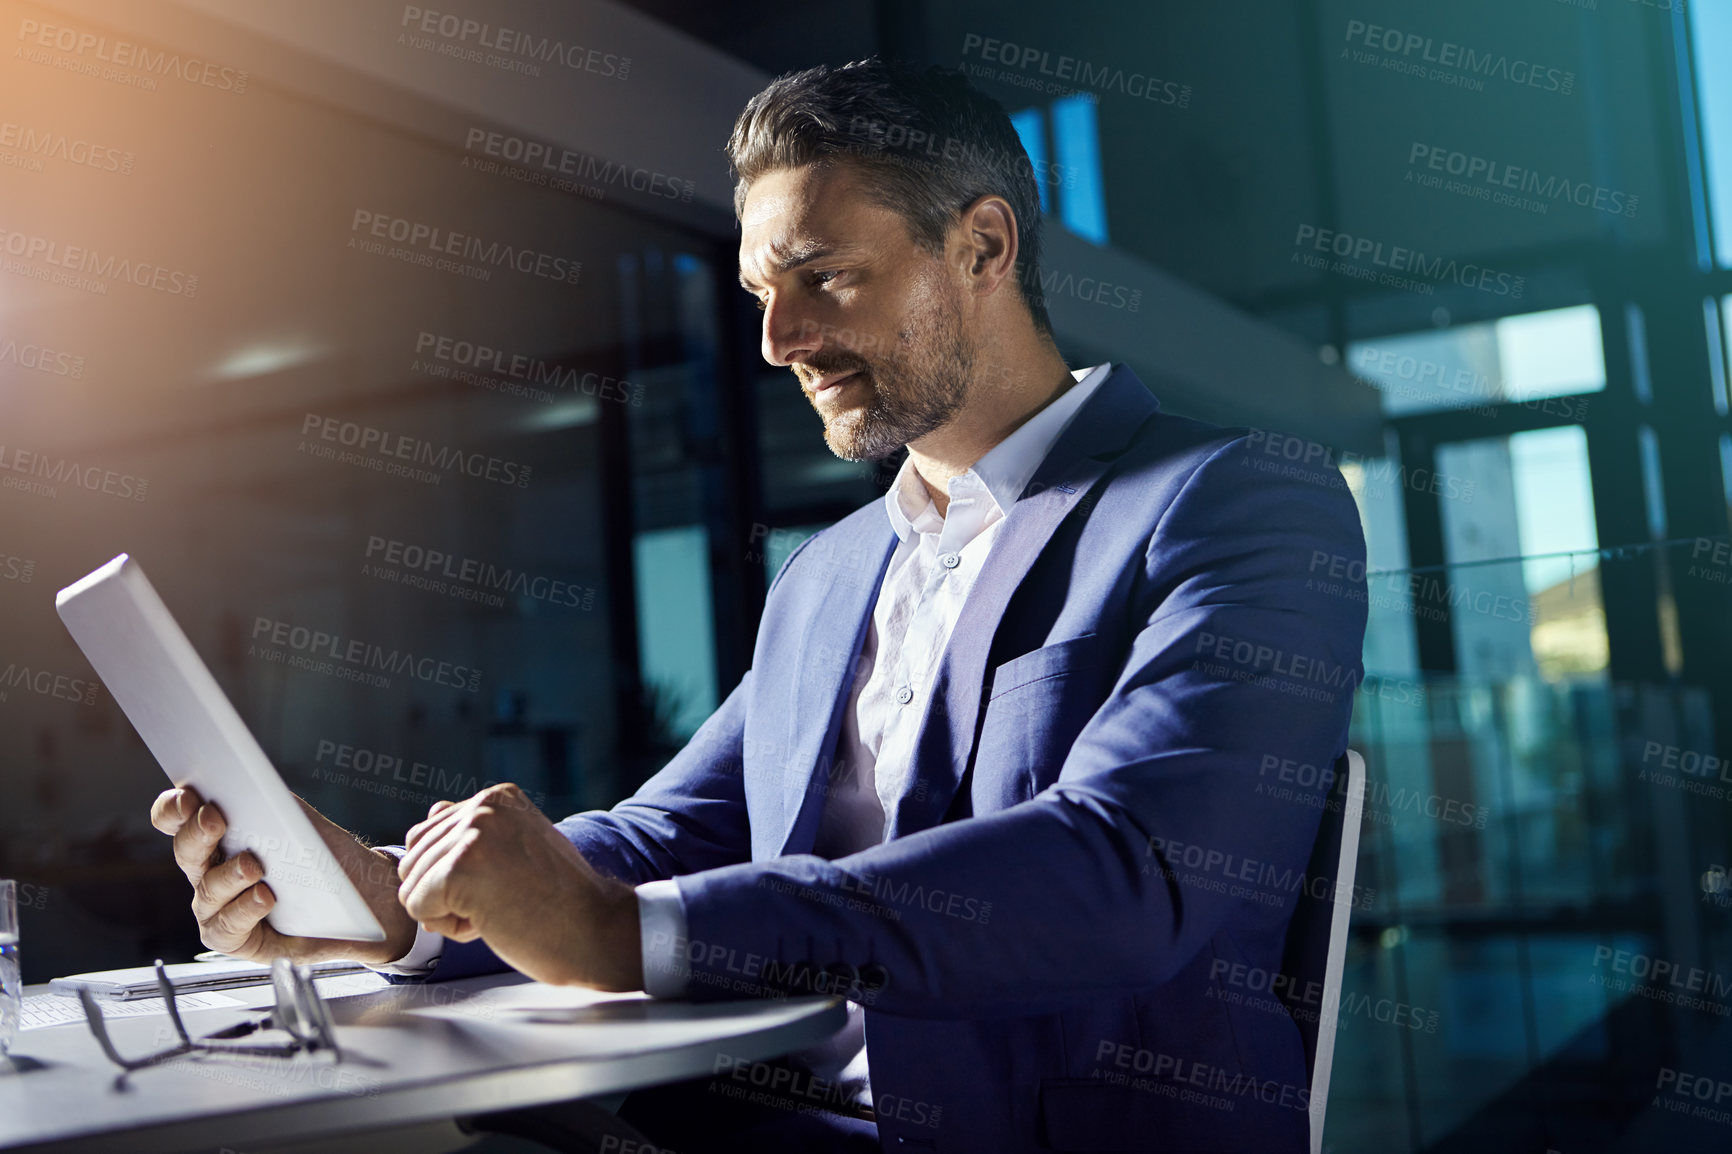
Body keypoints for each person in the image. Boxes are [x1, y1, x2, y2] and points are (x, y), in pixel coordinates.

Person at [151, 58, 1367, 1153]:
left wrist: (627, 937)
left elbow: (1128, 867)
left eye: (824, 277)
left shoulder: (1234, 500)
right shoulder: (829, 571)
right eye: (758, 293)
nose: (780, 339)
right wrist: (399, 905)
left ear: (984, 248)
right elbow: (672, 831)